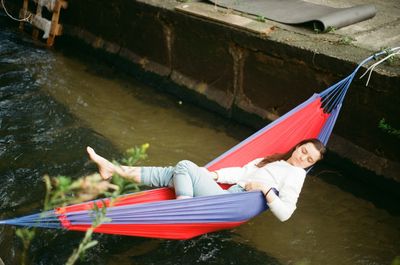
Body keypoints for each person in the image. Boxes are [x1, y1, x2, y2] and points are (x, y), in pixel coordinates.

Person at [86, 138, 326, 221]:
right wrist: (214, 175)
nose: (302, 157)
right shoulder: (274, 159)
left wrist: (265, 189)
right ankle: (112, 169)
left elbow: (286, 214)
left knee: (184, 166)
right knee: (172, 172)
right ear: (298, 146)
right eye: (303, 150)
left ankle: (182, 208)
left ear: (310, 165)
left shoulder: (296, 176)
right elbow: (242, 173)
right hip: (229, 193)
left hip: (233, 203)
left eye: (309, 159)